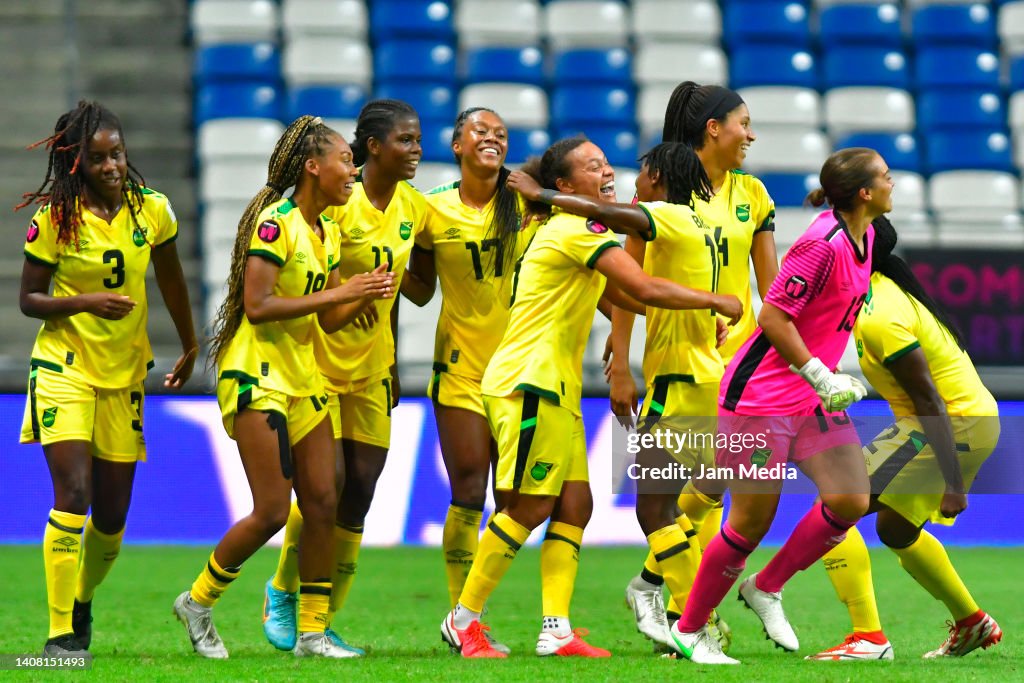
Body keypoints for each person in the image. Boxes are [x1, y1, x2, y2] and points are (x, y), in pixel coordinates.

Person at [439, 135, 742, 659]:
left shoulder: (574, 231)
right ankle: (463, 620)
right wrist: (716, 299)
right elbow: (643, 288)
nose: (607, 170)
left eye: (606, 162)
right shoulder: (579, 228)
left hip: (555, 386)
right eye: (592, 166)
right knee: (529, 505)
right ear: (563, 186)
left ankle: (556, 628)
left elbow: (621, 297)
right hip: (528, 383)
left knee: (575, 506)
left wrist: (693, 316)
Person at [172, 116, 395, 659]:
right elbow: (258, 305)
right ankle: (197, 601)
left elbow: (329, 320)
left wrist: (363, 297)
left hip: (303, 375)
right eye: (346, 159)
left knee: (324, 500)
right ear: (313, 167)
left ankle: (313, 633)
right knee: (272, 510)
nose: (354, 170)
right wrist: (338, 295)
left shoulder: (330, 230)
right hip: (257, 376)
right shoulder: (276, 224)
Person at [670, 147, 890, 665]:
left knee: (852, 498)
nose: (893, 183)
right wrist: (818, 371)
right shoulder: (822, 244)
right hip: (761, 396)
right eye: (884, 177)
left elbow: (827, 319)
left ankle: (765, 586)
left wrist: (829, 375)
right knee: (749, 524)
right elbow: (772, 317)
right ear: (863, 192)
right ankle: (690, 629)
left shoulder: (868, 236)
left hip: (809, 396)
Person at [16, 101, 198, 656]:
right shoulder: (54, 219)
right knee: (73, 494)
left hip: (123, 377)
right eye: (98, 158)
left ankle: (81, 600)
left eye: (117, 154)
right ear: (76, 165)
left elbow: (170, 278)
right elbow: (28, 300)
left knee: (113, 521)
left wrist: (191, 344)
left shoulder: (153, 211)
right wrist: (86, 301)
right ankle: (58, 637)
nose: (113, 166)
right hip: (63, 369)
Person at [611, 82, 778, 649]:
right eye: (743, 123)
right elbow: (628, 282)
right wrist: (619, 364)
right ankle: (687, 616)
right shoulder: (661, 192)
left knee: (710, 492)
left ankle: (657, 591)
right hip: (677, 362)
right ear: (714, 128)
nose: (750, 135)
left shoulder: (753, 194)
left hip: (741, 371)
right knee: (670, 491)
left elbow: (771, 289)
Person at [261, 99, 428, 654]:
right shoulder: (338, 200)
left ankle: (323, 618)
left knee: (360, 493)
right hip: (320, 365)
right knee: (321, 494)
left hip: (374, 367)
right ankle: (285, 592)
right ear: (372, 147)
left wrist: (397, 359)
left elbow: (401, 287)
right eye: (405, 140)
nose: (416, 151)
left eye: (419, 140)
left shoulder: (414, 208)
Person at [809, 215, 1002, 661]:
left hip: (951, 424)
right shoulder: (873, 295)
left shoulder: (881, 315)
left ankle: (868, 638)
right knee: (894, 529)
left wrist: (954, 483)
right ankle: (972, 623)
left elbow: (930, 399)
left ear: (857, 253)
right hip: (959, 419)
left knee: (836, 507)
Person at [400, 107, 533, 653]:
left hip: (520, 368)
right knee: (469, 489)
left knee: (512, 497)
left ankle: (473, 608)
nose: (493, 139)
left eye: (501, 134)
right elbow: (421, 288)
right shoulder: (432, 209)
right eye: (481, 131)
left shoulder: (527, 201)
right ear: (456, 145)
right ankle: (464, 620)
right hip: (459, 367)